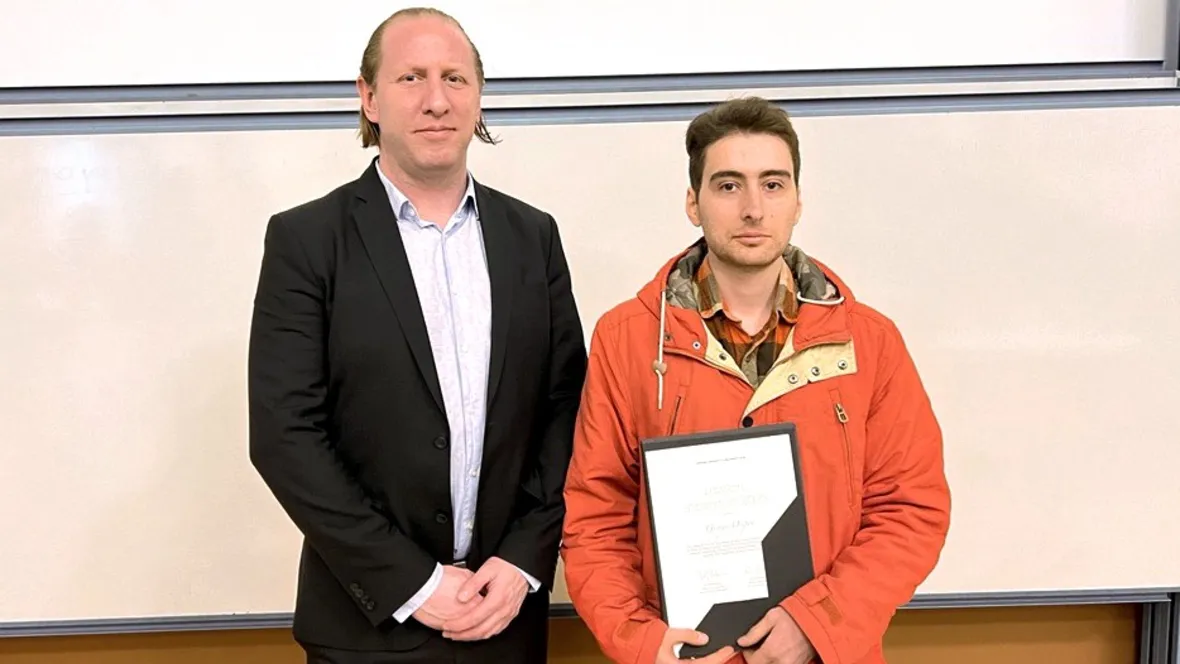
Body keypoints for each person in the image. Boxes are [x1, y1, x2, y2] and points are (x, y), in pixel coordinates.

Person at [247, 7, 587, 663]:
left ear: (479, 95)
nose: (437, 100)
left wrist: (521, 561)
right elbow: (285, 436)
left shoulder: (532, 237)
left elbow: (567, 410)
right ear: (368, 97)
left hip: (505, 617)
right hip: (367, 629)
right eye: (411, 79)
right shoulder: (307, 242)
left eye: (455, 79)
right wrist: (413, 582)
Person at [559, 96, 951, 664]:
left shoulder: (869, 342)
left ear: (797, 201)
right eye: (727, 185)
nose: (752, 209)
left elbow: (911, 510)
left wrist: (816, 624)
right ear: (693, 203)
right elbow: (595, 519)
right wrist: (645, 644)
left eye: (772, 185)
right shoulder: (626, 339)